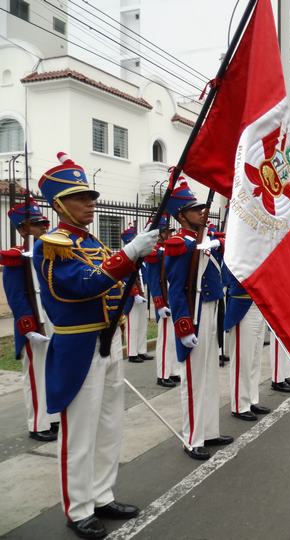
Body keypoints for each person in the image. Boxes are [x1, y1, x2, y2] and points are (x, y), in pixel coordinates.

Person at [34, 152, 156, 539]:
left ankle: (102, 495)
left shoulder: (93, 243)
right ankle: (79, 508)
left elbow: (113, 285)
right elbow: (80, 286)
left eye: (90, 196)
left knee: (109, 424)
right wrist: (129, 253)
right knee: (81, 431)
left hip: (108, 338)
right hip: (79, 344)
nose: (90, 203)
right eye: (80, 197)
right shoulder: (53, 244)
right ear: (59, 204)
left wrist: (130, 261)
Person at [164, 180, 233, 461]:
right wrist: (183, 325)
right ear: (181, 216)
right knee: (193, 379)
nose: (202, 212)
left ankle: (209, 430)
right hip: (194, 313)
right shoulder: (179, 245)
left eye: (202, 208)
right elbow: (175, 289)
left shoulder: (202, 241)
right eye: (195, 210)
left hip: (211, 307)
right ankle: (192, 438)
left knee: (210, 375)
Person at [1, 198, 58, 442]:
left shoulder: (49, 252)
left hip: (53, 321)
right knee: (36, 375)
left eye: (44, 223)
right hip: (34, 325)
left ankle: (52, 417)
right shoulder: (16, 258)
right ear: (23, 229)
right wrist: (28, 328)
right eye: (36, 225)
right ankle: (38, 424)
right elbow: (15, 296)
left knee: (52, 372)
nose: (43, 228)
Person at [223, 264, 272, 420]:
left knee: (255, 358)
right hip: (242, 303)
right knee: (242, 360)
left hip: (259, 302)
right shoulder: (237, 253)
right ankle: (240, 405)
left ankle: (251, 399)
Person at [145, 215, 180, 387]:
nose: (169, 235)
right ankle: (163, 374)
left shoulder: (165, 250)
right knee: (165, 340)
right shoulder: (154, 253)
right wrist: (159, 304)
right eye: (166, 232)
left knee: (172, 339)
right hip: (164, 301)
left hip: (172, 299)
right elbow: (154, 281)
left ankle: (172, 371)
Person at [120, 224, 153, 364]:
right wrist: (135, 293)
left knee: (142, 323)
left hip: (142, 292)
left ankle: (141, 350)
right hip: (132, 295)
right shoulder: (127, 257)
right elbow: (126, 278)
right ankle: (132, 353)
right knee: (132, 325)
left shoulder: (141, 258)